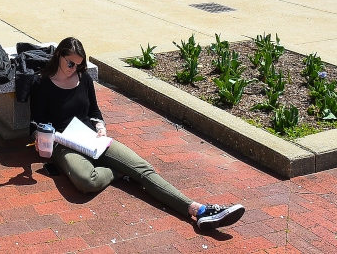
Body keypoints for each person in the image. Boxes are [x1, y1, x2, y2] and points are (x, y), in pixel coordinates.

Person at [30, 37, 246, 231]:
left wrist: (101, 128)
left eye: (79, 65)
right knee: (87, 181)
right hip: (62, 142)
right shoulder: (42, 83)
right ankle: (120, 172)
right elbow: (35, 124)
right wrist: (44, 139)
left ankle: (199, 210)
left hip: (91, 139)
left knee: (143, 168)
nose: (74, 68)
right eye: (70, 63)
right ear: (59, 55)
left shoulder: (83, 78)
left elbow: (94, 112)